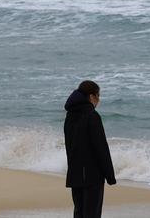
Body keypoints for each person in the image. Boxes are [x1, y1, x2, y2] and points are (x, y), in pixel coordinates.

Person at [63, 80, 116, 218]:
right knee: (92, 214)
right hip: (92, 176)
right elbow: (101, 148)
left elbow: (69, 145)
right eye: (98, 96)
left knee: (79, 212)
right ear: (92, 96)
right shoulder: (92, 116)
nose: (99, 100)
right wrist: (110, 176)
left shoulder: (70, 115)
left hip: (75, 174)